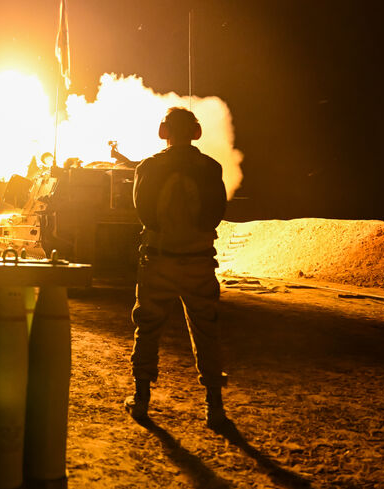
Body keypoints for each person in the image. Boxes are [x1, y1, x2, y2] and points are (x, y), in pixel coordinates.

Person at [125, 106, 232, 431]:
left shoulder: (149, 167)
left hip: (158, 260)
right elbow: (216, 212)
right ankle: (214, 407)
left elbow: (143, 211)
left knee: (147, 329)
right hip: (198, 262)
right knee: (206, 331)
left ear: (164, 131)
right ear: (195, 132)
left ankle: (141, 400)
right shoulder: (211, 168)